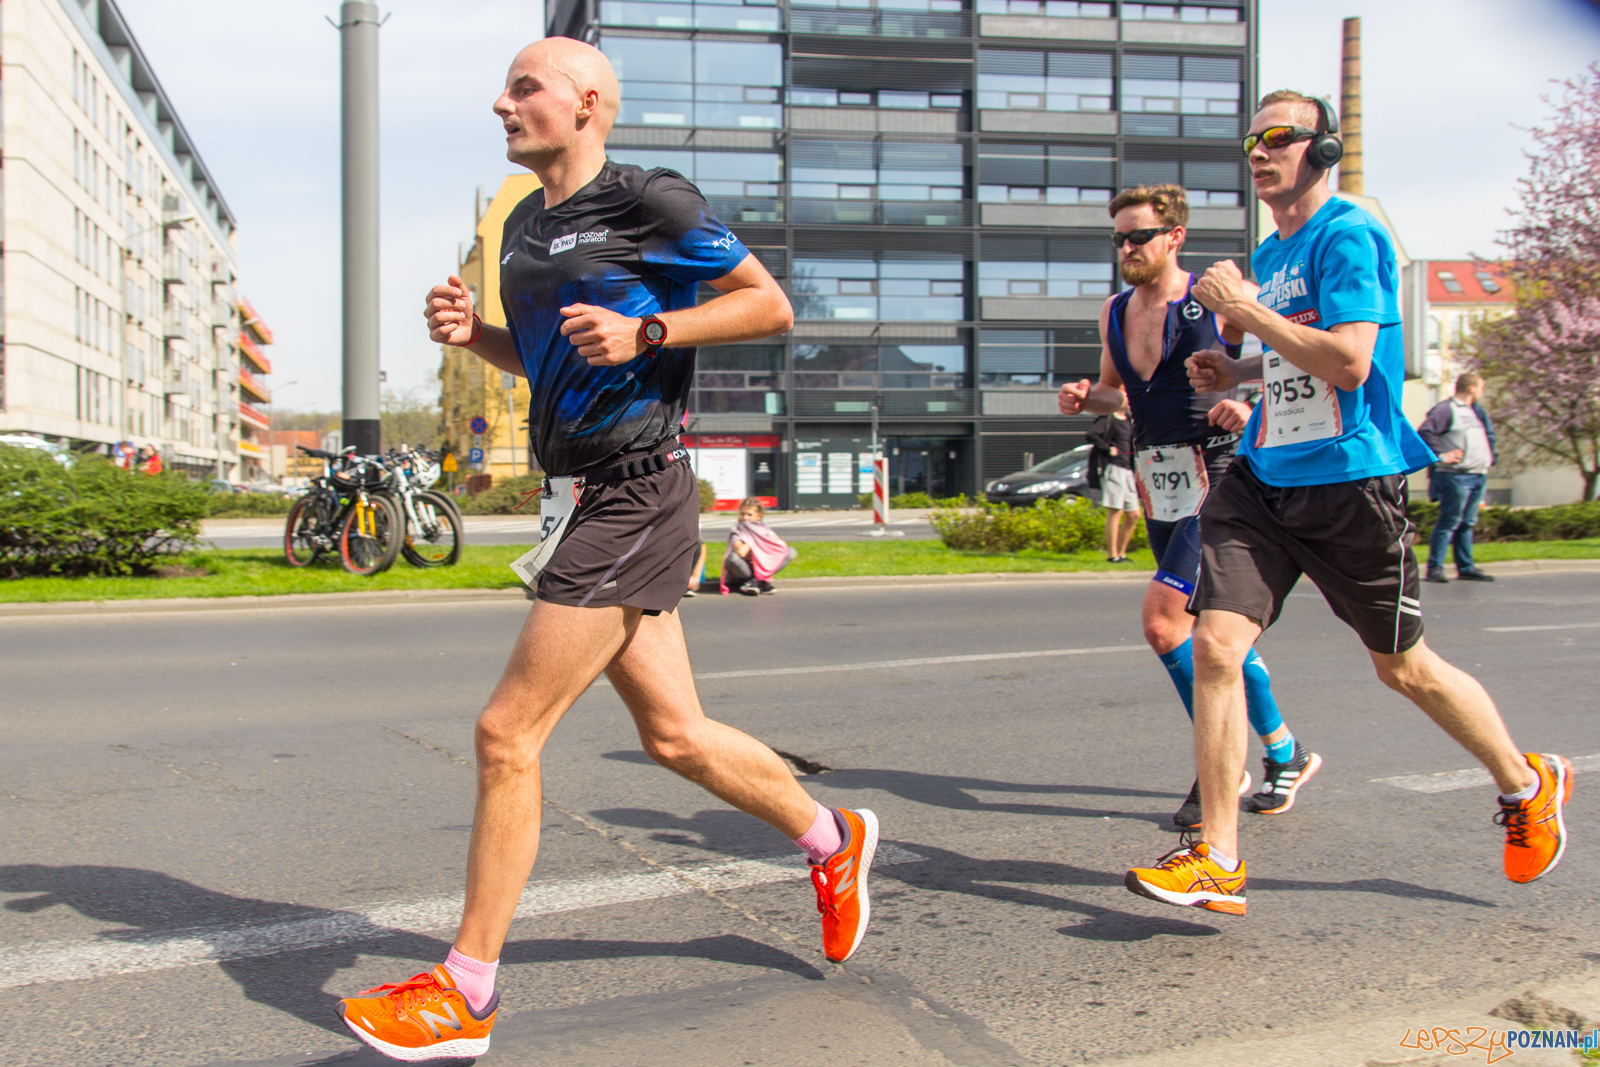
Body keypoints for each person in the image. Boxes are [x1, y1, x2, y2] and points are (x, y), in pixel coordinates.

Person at [337, 39, 879, 1061]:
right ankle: (832, 836)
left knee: (507, 732)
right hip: (576, 494)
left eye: (523, 86)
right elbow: (543, 359)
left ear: (586, 102)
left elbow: (768, 303)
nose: (500, 102)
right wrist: (475, 339)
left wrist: (652, 334)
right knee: (674, 735)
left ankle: (466, 989)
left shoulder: (649, 199)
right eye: (502, 86)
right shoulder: (524, 228)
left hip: (636, 491)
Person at [1125, 91, 1573, 918]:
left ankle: (1525, 779)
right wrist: (1240, 372)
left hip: (1349, 481)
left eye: (1278, 138)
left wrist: (1245, 312)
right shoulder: (1272, 247)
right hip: (1264, 474)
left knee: (1404, 667)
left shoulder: (1348, 234)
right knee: (1216, 646)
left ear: (1321, 151)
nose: (1259, 152)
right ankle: (1218, 856)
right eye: (1251, 140)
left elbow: (1350, 362)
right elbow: (1296, 356)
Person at [1059, 183, 1320, 830]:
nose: (1126, 247)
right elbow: (1117, 395)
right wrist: (1083, 396)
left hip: (1223, 474)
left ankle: (1222, 768)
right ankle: (1284, 751)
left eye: (1138, 235)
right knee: (1212, 634)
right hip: (1157, 476)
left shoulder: (1218, 296)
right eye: (1118, 237)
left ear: (1174, 236)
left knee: (1163, 622)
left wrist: (1250, 399)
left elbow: (1290, 358)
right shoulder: (1114, 311)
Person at [1418, 372, 1498, 583]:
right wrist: (1442, 455)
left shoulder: (1475, 411)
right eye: (1480, 387)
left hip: (1477, 474)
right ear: (1471, 388)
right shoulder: (1447, 409)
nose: (1482, 392)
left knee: (1467, 523)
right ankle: (1435, 568)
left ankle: (1466, 566)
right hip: (1455, 476)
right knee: (1449, 522)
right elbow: (1426, 431)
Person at [1086, 410, 1139, 562]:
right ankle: (1112, 555)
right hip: (1113, 467)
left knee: (1134, 514)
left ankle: (1122, 553)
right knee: (1116, 511)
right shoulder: (1108, 418)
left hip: (1128, 468)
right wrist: (1107, 448)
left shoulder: (1129, 419)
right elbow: (1091, 435)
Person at [721, 497, 797, 595]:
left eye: (749, 515)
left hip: (761, 564)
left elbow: (778, 544)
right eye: (742, 514)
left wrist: (763, 542)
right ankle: (756, 581)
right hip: (743, 569)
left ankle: (757, 581)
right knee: (732, 558)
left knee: (790, 551)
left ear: (758, 516)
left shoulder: (764, 529)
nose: (745, 518)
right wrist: (751, 538)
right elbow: (741, 552)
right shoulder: (737, 529)